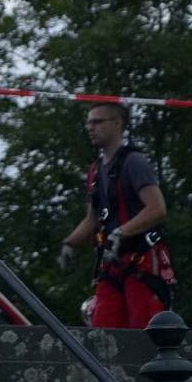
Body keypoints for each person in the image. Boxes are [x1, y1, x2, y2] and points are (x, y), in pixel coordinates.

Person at [58, 102, 174, 328]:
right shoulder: (95, 170)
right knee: (104, 329)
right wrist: (68, 243)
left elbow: (157, 208)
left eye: (97, 122)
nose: (90, 127)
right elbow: (92, 220)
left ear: (116, 124)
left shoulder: (134, 162)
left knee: (144, 328)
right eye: (88, 122)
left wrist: (121, 232)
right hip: (112, 264)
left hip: (139, 260)